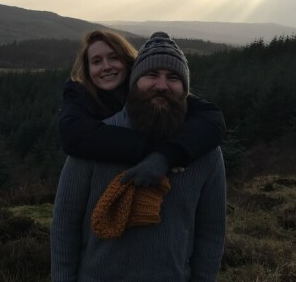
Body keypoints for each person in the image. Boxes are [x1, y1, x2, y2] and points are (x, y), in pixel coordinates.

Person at [51, 31, 226, 281]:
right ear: (134, 83)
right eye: (151, 75)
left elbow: (211, 234)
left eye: (173, 77)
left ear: (185, 90)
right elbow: (64, 228)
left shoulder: (204, 152)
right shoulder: (91, 144)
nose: (162, 85)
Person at [57, 29, 225, 185]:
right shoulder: (80, 94)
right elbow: (71, 134)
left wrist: (167, 156)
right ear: (87, 70)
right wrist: (155, 150)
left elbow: (211, 118)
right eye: (96, 61)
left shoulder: (151, 90)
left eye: (114, 57)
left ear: (129, 63)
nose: (106, 66)